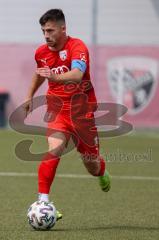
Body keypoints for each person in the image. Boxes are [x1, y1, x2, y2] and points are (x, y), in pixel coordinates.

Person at [24, 9, 111, 221]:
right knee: (54, 150)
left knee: (92, 164)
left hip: (82, 113)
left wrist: (55, 74)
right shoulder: (41, 52)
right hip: (57, 111)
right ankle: (43, 202)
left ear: (63, 29)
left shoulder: (77, 47)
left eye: (50, 30)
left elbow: (77, 73)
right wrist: (29, 96)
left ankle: (102, 173)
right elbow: (40, 73)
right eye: (43, 30)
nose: (46, 35)